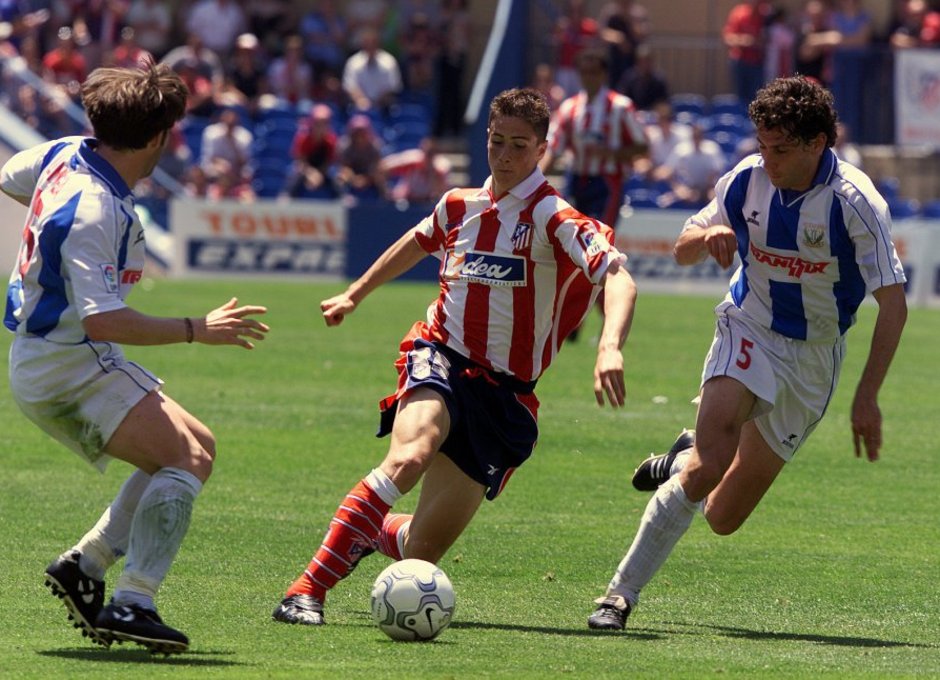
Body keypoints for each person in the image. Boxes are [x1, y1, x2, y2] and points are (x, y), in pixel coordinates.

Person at [271, 87, 638, 627]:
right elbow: (416, 241)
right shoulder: (459, 204)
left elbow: (618, 276)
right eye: (496, 142)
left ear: (541, 149)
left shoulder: (555, 218)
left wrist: (609, 346)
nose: (506, 155)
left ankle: (372, 528)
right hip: (440, 355)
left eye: (519, 145)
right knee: (410, 455)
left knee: (420, 549)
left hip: (504, 397)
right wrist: (356, 293)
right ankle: (305, 591)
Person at [586, 75, 907, 631]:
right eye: (762, 145)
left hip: (813, 357)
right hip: (748, 327)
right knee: (711, 466)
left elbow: (894, 307)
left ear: (817, 144)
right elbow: (684, 247)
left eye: (780, 149)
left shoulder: (856, 202)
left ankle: (682, 458)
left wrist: (867, 397)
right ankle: (619, 596)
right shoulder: (744, 182)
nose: (768, 159)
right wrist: (704, 239)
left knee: (724, 516)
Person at [1, 62, 270, 653]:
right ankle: (132, 602)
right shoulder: (94, 208)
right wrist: (196, 329)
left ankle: (86, 564)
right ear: (156, 138)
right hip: (69, 363)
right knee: (185, 457)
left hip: (55, 355)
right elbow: (103, 318)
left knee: (195, 448)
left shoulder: (66, 152)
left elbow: (9, 176)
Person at [539, 48, 648, 230]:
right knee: (571, 236)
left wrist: (612, 154)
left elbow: (642, 146)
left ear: (603, 75)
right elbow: (553, 147)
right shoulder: (569, 107)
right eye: (584, 72)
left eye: (594, 72)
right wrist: (535, 177)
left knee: (599, 236)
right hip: (576, 180)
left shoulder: (620, 107)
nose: (589, 78)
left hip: (607, 182)